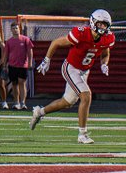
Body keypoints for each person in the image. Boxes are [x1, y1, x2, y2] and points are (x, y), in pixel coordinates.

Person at [29, 9, 115, 144]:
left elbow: (105, 53)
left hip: (84, 71)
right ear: (93, 22)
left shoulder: (108, 38)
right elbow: (56, 42)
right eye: (100, 24)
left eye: (105, 25)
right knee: (86, 96)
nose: (102, 27)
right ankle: (82, 134)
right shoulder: (81, 33)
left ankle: (39, 112)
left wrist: (104, 64)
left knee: (67, 102)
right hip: (71, 67)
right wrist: (47, 60)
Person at [3, 21, 34, 109]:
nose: (15, 30)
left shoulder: (25, 39)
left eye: (16, 28)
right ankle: (16, 102)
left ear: (19, 29)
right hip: (12, 65)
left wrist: (30, 63)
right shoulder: (9, 41)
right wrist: (4, 65)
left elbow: (30, 51)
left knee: (22, 83)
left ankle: (23, 103)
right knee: (14, 84)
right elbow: (6, 54)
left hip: (23, 65)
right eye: (13, 28)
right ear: (11, 30)